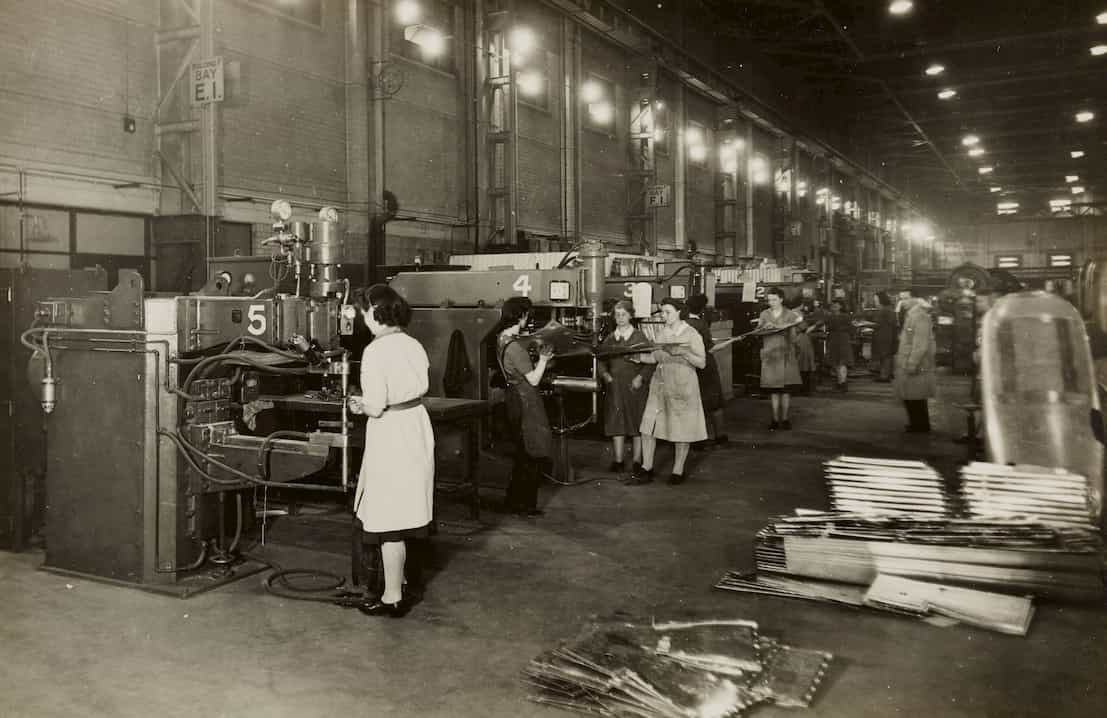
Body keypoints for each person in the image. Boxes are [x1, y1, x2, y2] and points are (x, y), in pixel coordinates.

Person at [347, 285, 434, 618]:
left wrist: (359, 405)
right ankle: (400, 585)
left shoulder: (375, 350)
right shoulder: (413, 344)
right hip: (415, 425)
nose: (362, 318)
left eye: (363, 312)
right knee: (406, 511)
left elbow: (376, 405)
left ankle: (392, 596)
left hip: (391, 432)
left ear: (374, 311)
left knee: (387, 521)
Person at [631, 297, 707, 486]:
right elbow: (655, 357)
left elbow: (702, 363)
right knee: (648, 427)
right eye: (663, 312)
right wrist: (637, 357)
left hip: (683, 386)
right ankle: (647, 467)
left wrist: (683, 352)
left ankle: (677, 470)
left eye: (667, 312)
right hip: (660, 385)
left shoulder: (692, 334)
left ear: (679, 312)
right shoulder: (663, 332)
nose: (664, 316)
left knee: (681, 430)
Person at [496, 297, 554, 515]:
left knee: (522, 453)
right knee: (532, 453)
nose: (528, 319)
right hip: (526, 400)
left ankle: (513, 501)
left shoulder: (502, 339)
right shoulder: (515, 348)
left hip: (513, 397)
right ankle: (526, 505)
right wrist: (544, 359)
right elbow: (534, 379)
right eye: (527, 315)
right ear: (520, 315)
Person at [599, 300, 655, 474]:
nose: (620, 318)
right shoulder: (610, 338)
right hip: (615, 388)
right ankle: (618, 460)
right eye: (617, 315)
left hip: (635, 387)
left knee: (636, 423)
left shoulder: (639, 336)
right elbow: (600, 359)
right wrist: (605, 375)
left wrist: (641, 377)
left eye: (624, 314)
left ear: (631, 315)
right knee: (617, 422)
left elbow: (651, 362)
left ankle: (638, 460)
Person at [684, 294, 729, 446]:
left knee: (694, 403)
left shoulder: (683, 323)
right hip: (706, 366)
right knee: (714, 402)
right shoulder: (702, 324)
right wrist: (729, 342)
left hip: (689, 364)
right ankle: (720, 436)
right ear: (702, 308)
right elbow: (710, 348)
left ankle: (695, 439)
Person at [758, 288, 802, 429]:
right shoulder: (764, 314)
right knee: (774, 390)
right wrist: (765, 327)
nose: (771, 303)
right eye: (769, 300)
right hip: (770, 355)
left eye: (774, 300)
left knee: (785, 390)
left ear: (781, 299)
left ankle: (785, 418)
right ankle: (775, 420)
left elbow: (795, 336)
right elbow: (758, 331)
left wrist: (786, 330)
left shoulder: (790, 315)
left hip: (786, 354)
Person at [894, 290, 937, 433]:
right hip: (908, 360)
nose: (903, 302)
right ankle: (917, 424)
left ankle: (921, 426)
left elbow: (921, 344)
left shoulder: (920, 317)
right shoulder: (911, 315)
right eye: (901, 299)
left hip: (916, 363)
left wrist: (912, 363)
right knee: (911, 395)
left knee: (915, 396)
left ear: (916, 299)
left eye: (906, 298)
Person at [825, 299, 854, 391]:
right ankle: (842, 382)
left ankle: (841, 382)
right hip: (844, 339)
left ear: (840, 306)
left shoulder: (831, 317)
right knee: (842, 362)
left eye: (835, 305)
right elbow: (851, 328)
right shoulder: (847, 316)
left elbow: (828, 327)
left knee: (837, 362)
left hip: (835, 339)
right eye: (833, 305)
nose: (833, 307)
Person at [871, 291, 897, 382]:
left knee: (885, 356)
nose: (875, 301)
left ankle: (884, 376)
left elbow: (881, 324)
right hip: (886, 335)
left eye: (876, 299)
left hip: (884, 336)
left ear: (881, 299)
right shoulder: (888, 309)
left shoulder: (885, 310)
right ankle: (886, 374)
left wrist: (870, 325)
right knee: (886, 356)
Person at [793, 310, 817, 395]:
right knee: (803, 366)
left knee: (802, 366)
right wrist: (815, 325)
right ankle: (803, 389)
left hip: (800, 341)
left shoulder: (794, 313)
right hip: (800, 342)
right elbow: (804, 329)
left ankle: (801, 389)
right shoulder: (797, 314)